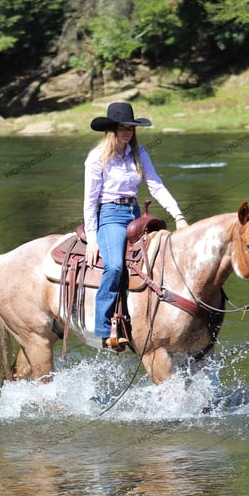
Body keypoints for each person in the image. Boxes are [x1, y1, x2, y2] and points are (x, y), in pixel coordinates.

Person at [83, 102, 189, 350]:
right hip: (110, 215)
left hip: (136, 213)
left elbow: (156, 185)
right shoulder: (97, 158)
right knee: (115, 266)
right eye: (122, 127)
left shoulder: (139, 153)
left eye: (130, 127)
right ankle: (103, 327)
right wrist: (92, 237)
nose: (127, 131)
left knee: (164, 259)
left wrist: (178, 216)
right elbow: (90, 201)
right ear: (111, 130)